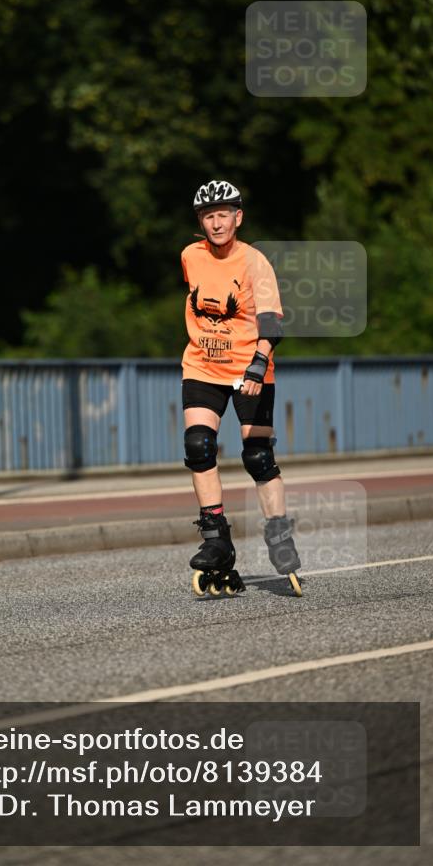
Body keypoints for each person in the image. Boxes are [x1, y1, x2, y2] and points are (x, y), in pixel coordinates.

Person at [181, 179, 302, 597]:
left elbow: (271, 321)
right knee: (198, 446)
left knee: (257, 456)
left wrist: (256, 365)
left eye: (223, 215)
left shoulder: (254, 262)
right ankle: (216, 540)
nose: (216, 223)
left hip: (251, 370)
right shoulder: (190, 257)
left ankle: (279, 535)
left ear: (238, 217)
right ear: (201, 221)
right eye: (208, 216)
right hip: (202, 366)